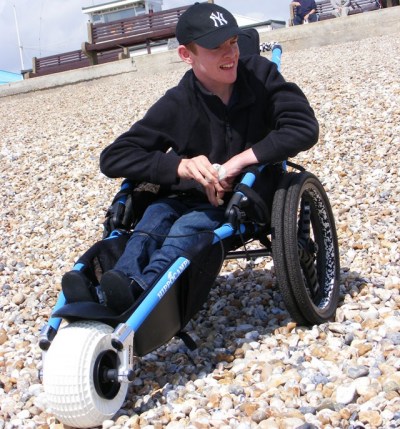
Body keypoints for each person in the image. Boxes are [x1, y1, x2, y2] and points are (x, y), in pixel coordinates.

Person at [61, 2, 319, 314]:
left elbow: (304, 127)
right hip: (186, 192)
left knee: (187, 228)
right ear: (187, 55)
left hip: (243, 197)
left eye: (233, 42)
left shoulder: (260, 76)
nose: (230, 54)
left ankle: (144, 290)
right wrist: (179, 166)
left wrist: (239, 161)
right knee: (153, 217)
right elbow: (113, 157)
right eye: (216, 47)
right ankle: (111, 287)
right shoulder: (178, 103)